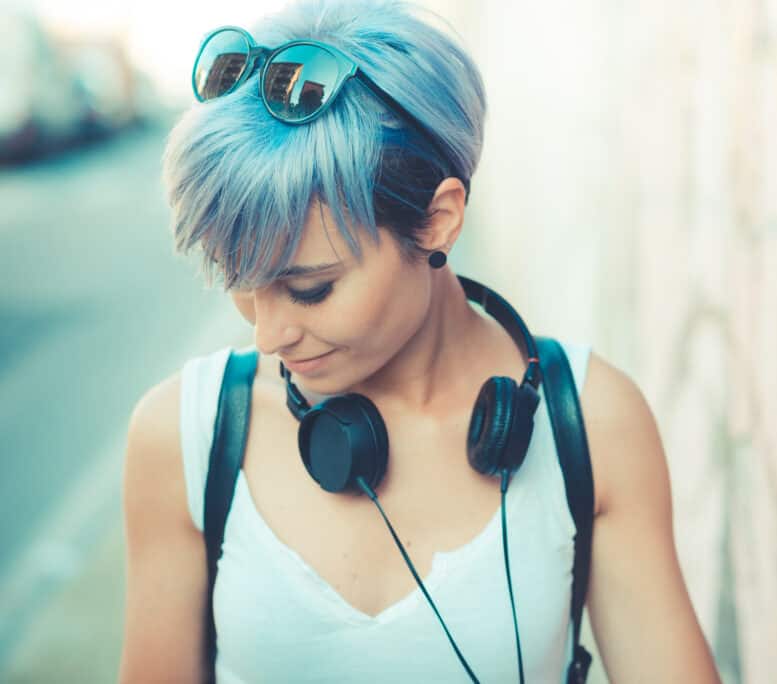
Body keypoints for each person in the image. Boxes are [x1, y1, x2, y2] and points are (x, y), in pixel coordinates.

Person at [118, 0, 720, 681]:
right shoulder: (184, 437)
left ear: (437, 220)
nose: (268, 334)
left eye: (310, 288)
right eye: (239, 278)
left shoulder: (591, 425)